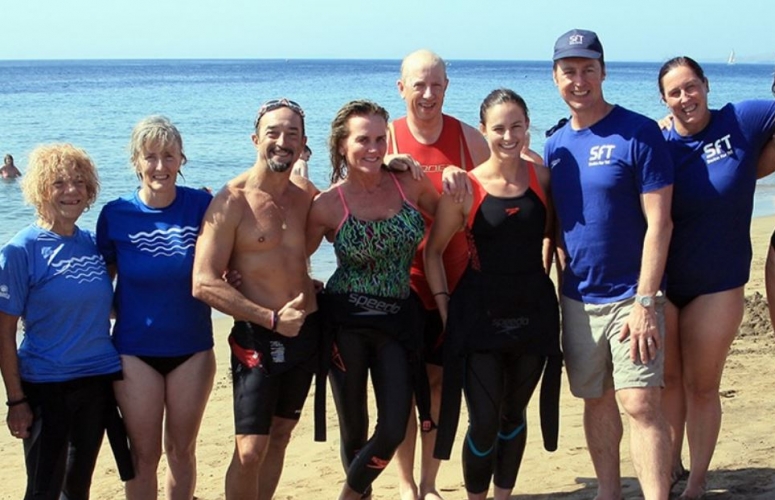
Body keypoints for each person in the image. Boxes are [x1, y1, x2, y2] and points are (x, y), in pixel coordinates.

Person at [544, 29, 674, 500]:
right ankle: (608, 492)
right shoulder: (555, 145)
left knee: (640, 402)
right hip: (578, 297)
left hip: (632, 296)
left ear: (603, 72)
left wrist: (645, 301)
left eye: (588, 70)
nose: (578, 81)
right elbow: (554, 225)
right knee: (595, 399)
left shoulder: (638, 132)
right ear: (556, 77)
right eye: (569, 71)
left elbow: (660, 223)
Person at [425, 89, 561, 500]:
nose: (508, 136)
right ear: (483, 131)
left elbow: (555, 236)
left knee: (513, 415)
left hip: (533, 313)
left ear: (528, 127)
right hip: (479, 316)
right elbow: (433, 251)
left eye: (517, 126)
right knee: (483, 420)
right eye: (499, 128)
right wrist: (446, 309)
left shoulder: (543, 179)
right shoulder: (466, 187)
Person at [306, 100, 438, 500]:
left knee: (394, 426)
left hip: (398, 319)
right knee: (354, 429)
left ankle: (346, 496)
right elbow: (291, 257)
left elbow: (453, 214)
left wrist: (454, 176)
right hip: (345, 322)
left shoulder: (408, 184)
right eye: (363, 140)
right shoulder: (328, 203)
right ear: (342, 145)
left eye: (381, 139)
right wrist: (301, 285)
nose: (374, 148)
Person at [657, 56, 775, 499]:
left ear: (706, 85)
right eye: (674, 92)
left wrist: (757, 164)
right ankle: (669, 467)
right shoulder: (657, 141)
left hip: (718, 282)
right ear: (664, 100)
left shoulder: (741, 120)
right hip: (665, 283)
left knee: (702, 385)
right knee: (667, 383)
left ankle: (697, 482)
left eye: (691, 86)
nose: (685, 97)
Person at [192, 98, 320, 500]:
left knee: (281, 435)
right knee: (249, 451)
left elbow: (349, 208)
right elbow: (203, 282)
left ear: (303, 144)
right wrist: (270, 318)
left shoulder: (306, 195)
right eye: (273, 133)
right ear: (255, 140)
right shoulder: (232, 200)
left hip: (306, 333)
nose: (283, 141)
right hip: (257, 336)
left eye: (292, 134)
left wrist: (392, 163)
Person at [96, 116, 216, 500]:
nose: (160, 166)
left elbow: (238, 253)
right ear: (136, 161)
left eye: (169, 155)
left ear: (182, 159)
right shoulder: (115, 214)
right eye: (150, 156)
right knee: (143, 456)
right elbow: (99, 287)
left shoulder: (203, 206)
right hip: (134, 352)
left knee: (182, 451)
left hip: (192, 349)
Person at [388, 48, 490, 500]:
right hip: (401, 285)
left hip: (455, 280)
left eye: (436, 85)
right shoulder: (385, 139)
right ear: (401, 88)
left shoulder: (469, 139)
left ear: (447, 87)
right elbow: (350, 198)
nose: (428, 94)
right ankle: (405, 483)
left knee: (439, 385)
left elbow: (502, 188)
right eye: (419, 85)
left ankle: (429, 483)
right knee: (400, 390)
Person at [0, 143, 123, 499]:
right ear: (41, 189)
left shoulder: (93, 245)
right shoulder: (21, 250)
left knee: (77, 488)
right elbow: (4, 333)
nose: (72, 190)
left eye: (80, 182)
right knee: (43, 490)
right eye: (59, 183)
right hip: (46, 385)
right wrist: (16, 401)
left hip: (97, 382)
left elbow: (108, 306)